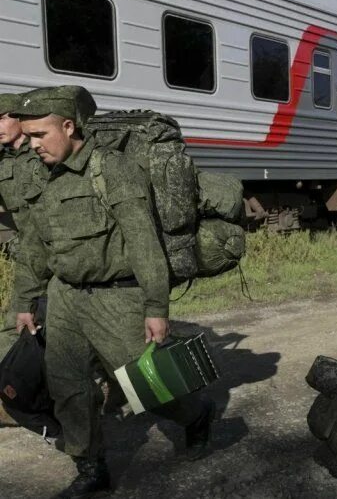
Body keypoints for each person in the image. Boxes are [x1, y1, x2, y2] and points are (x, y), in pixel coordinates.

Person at [10, 86, 215, 497]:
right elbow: (34, 243)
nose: (33, 145)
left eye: (39, 135)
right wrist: (23, 300)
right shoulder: (42, 175)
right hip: (65, 295)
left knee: (148, 384)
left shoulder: (112, 168)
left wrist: (156, 306)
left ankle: (196, 413)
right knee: (68, 386)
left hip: (117, 295)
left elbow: (143, 241)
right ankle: (90, 468)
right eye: (28, 136)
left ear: (68, 127)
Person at [0, 93, 46, 360]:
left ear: (21, 118)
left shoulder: (43, 152)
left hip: (57, 253)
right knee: (18, 322)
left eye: (3, 119)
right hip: (30, 255)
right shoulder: (5, 161)